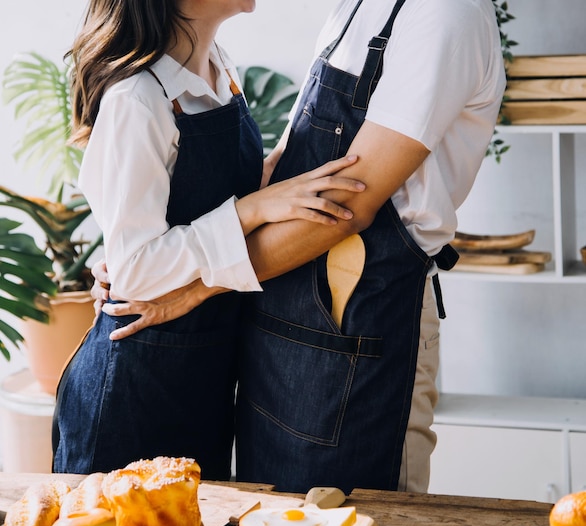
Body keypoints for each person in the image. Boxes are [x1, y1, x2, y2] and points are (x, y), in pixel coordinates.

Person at [91, 0, 506, 494]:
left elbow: (345, 205)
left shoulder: (443, 13)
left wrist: (194, 285)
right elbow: (284, 177)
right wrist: (144, 253)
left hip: (356, 325)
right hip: (274, 327)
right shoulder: (355, 9)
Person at [51, 0, 367, 479]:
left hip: (204, 373)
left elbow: (208, 193)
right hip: (134, 387)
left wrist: (270, 187)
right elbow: (136, 270)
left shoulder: (218, 68)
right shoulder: (137, 98)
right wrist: (254, 209)